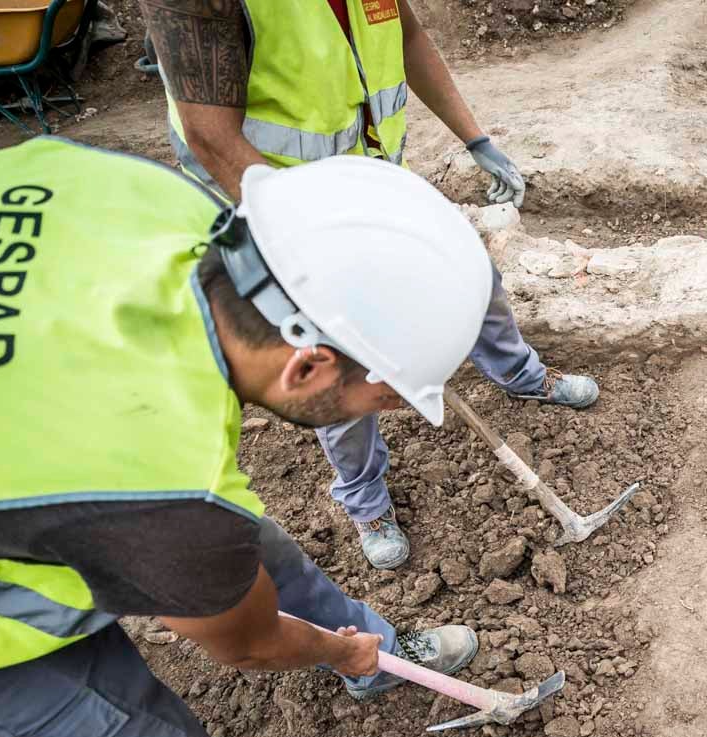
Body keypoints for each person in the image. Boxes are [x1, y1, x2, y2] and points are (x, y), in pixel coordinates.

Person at [0, 139, 492, 737]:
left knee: (262, 551)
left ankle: (378, 656)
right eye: (382, 396)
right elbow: (245, 646)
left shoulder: (170, 204)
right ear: (308, 367)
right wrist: (326, 646)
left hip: (6, 463)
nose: (383, 413)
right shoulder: (163, 491)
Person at [138, 0, 598, 569]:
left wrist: (474, 138)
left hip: (367, 182)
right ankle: (365, 498)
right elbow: (208, 134)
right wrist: (307, 247)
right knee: (342, 358)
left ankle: (519, 372)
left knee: (469, 272)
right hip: (276, 206)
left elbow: (404, 35)